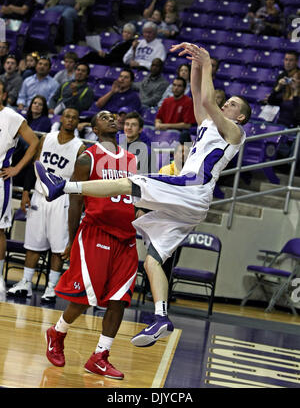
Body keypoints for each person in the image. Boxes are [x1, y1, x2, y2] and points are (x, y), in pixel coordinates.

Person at [35, 43, 252, 348]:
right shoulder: (209, 125)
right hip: (189, 202)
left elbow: (206, 98)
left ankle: (62, 187)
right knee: (152, 260)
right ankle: (162, 316)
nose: (224, 104)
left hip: (193, 190)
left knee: (129, 183)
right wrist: (196, 66)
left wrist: (208, 64)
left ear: (240, 117)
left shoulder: (235, 133)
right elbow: (198, 97)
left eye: (231, 104)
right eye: (226, 102)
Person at [40, 110, 137, 378]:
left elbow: (135, 198)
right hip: (96, 232)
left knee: (120, 299)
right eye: (105, 117)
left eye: (113, 116)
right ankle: (57, 332)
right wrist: (71, 241)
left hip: (126, 238)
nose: (112, 119)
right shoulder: (87, 158)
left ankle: (100, 356)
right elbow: (75, 202)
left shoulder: (132, 159)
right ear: (94, 128)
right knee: (84, 298)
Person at [7, 108, 85, 302]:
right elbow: (34, 166)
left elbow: (79, 180)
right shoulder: (46, 139)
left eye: (74, 117)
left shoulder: (80, 147)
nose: (70, 119)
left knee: (58, 247)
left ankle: (52, 287)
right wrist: (26, 192)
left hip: (62, 199)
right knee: (33, 243)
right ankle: (26, 282)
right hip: (39, 197)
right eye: (67, 116)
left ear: (77, 122)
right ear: (61, 118)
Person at [0, 80, 39, 293]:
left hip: (1, 180)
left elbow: (34, 142)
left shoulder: (13, 117)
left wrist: (16, 168)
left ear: (4, 94)